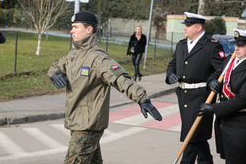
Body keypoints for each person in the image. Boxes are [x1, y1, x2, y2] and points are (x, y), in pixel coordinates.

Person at [47, 11, 162, 164]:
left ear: (89, 30)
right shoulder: (73, 54)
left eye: (75, 27)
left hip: (88, 125)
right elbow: (54, 66)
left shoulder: (98, 58)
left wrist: (142, 98)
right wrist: (55, 75)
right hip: (76, 121)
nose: (71, 30)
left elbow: (121, 79)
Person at [198, 29, 246, 164]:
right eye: (236, 44)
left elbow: (242, 99)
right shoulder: (231, 59)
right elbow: (216, 74)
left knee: (236, 160)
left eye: (241, 45)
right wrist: (211, 83)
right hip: (225, 120)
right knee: (231, 159)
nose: (236, 47)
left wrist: (213, 108)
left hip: (241, 122)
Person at [165, 12, 225, 164]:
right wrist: (171, 74)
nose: (185, 28)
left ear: (198, 28)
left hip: (201, 97)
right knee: (199, 137)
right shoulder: (181, 45)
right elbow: (172, 64)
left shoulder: (212, 46)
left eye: (188, 25)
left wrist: (212, 82)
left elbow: (222, 70)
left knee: (191, 138)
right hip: (184, 96)